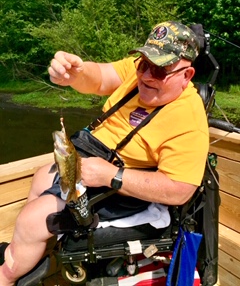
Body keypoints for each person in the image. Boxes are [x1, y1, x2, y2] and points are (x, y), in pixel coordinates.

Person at [0, 20, 209, 285]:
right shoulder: (138, 73)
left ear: (186, 75)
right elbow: (100, 77)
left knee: (32, 220)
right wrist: (75, 74)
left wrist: (112, 175)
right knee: (41, 177)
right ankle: (31, 252)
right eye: (144, 63)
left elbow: (180, 189)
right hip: (93, 158)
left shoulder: (189, 122)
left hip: (121, 185)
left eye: (159, 70)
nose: (145, 75)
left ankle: (6, 276)